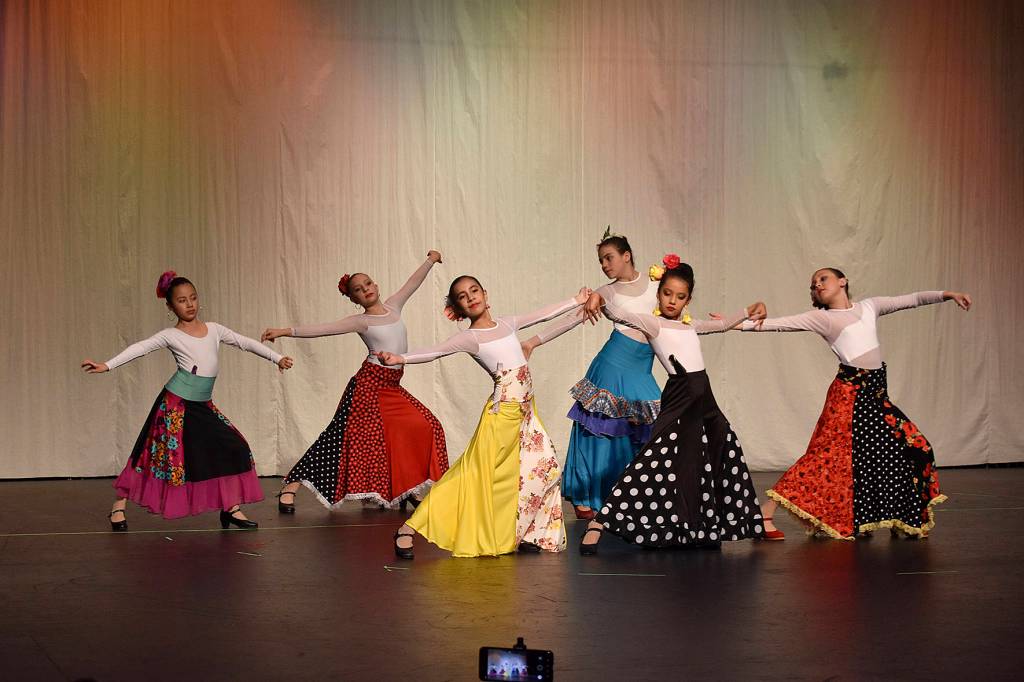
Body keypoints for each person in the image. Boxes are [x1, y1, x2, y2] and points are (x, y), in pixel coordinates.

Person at [741, 267, 971, 539]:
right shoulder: (822, 318)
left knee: (913, 449)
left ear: (843, 281)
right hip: (848, 397)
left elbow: (912, 299)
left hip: (875, 396)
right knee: (825, 459)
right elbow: (776, 324)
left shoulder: (870, 307)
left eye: (822, 279)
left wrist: (948, 294)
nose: (817, 285)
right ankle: (765, 514)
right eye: (813, 284)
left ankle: (897, 517)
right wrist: (733, 322)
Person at [378, 276, 591, 558]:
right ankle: (408, 529)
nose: (470, 297)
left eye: (474, 290)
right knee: (469, 477)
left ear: (485, 293)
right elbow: (435, 351)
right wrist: (400, 358)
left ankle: (523, 532)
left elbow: (542, 316)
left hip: (526, 413)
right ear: (459, 308)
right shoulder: (469, 338)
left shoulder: (506, 323)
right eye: (462, 296)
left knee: (541, 468)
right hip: (501, 417)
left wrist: (577, 302)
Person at [576, 259, 767, 552]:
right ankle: (599, 524)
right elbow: (616, 312)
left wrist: (750, 308)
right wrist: (598, 297)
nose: (672, 301)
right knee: (650, 460)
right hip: (680, 397)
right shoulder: (652, 323)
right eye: (667, 293)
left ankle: (700, 527)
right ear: (659, 293)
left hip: (705, 400)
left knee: (718, 452)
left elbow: (722, 324)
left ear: (687, 300)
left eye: (680, 296)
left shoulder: (691, 325)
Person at [82, 271, 293, 531]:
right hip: (175, 405)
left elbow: (244, 342)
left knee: (234, 447)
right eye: (182, 300)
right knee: (150, 456)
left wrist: (276, 358)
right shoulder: (171, 335)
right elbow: (140, 347)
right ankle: (118, 506)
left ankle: (230, 508)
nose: (190, 304)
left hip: (202, 405)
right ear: (170, 307)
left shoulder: (214, 329)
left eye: (193, 298)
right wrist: (107, 365)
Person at [261, 252, 448, 511]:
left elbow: (412, 283)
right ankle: (291, 486)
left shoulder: (394, 306)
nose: (365, 290)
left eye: (367, 284)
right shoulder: (361, 321)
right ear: (354, 299)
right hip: (367, 387)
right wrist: (284, 331)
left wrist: (430, 260)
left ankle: (407, 488)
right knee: (338, 438)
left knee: (425, 425)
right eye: (358, 290)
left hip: (391, 387)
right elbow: (322, 329)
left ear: (376, 285)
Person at [522, 230, 661, 520]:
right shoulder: (606, 292)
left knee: (645, 431)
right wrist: (533, 341)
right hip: (612, 365)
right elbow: (573, 319)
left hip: (641, 367)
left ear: (626, 255)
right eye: (601, 261)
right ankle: (587, 495)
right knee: (601, 431)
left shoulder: (656, 286)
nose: (604, 265)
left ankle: (632, 495)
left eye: (609, 258)